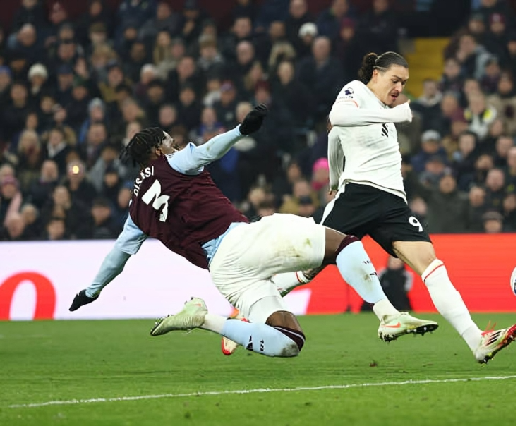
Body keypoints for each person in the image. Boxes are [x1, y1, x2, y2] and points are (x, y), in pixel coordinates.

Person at [68, 104, 436, 358]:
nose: (175, 144)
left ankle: (203, 318)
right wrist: (241, 130)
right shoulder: (172, 164)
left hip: (223, 273)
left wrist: (91, 290)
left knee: (287, 342)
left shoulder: (136, 211)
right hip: (240, 241)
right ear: (155, 152)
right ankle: (388, 315)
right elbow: (207, 151)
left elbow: (117, 256)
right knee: (342, 244)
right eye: (168, 141)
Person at [226, 52, 516, 364]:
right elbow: (337, 120)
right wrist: (339, 178)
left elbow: (335, 138)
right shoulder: (356, 90)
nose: (399, 88)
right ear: (377, 74)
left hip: (393, 202)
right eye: (395, 80)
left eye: (404, 83)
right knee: (309, 267)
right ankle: (248, 310)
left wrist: (335, 174)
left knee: (431, 264)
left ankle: (477, 340)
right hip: (359, 194)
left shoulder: (382, 112)